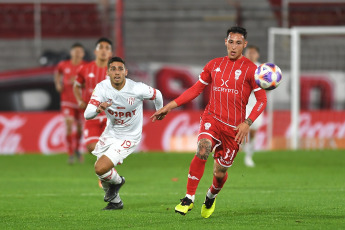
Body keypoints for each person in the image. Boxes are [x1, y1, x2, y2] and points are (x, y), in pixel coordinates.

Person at [151, 26, 267, 218]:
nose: (234, 46)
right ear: (225, 42)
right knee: (203, 149)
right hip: (212, 118)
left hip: (234, 129)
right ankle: (188, 198)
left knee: (219, 173)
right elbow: (195, 89)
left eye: (238, 43)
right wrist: (169, 106)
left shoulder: (252, 70)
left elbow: (262, 101)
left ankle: (210, 196)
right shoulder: (214, 65)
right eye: (231, 42)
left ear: (244, 45)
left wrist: (247, 122)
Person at [84, 56, 163, 210]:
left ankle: (119, 181)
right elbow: (87, 114)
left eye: (120, 69)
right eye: (113, 69)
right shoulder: (102, 88)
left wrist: (159, 111)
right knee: (101, 172)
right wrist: (98, 109)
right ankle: (115, 202)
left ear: (126, 72)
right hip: (110, 133)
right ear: (108, 72)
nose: (117, 72)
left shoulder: (137, 88)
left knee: (100, 168)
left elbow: (157, 94)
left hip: (129, 137)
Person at [73, 38, 113, 154]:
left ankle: (108, 165)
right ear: (95, 51)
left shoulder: (115, 71)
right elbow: (76, 86)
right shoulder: (85, 69)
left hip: (109, 116)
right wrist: (79, 100)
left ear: (110, 53)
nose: (103, 51)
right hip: (92, 116)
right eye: (101, 47)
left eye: (107, 48)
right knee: (91, 147)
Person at [54, 43, 86, 164]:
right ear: (71, 52)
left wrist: (78, 83)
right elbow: (57, 73)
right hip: (67, 101)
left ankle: (77, 149)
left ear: (83, 54)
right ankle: (70, 153)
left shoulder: (85, 66)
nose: (78, 53)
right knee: (68, 124)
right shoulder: (63, 65)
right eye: (75, 51)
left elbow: (89, 82)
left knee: (79, 129)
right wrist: (57, 84)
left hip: (80, 101)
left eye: (80, 51)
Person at [243, 45, 263, 167]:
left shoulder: (262, 70)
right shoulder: (240, 67)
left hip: (256, 104)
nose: (251, 55)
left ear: (258, 55)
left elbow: (268, 88)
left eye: (253, 53)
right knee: (239, 130)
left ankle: (249, 157)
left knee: (253, 132)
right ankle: (226, 153)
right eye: (249, 52)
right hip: (241, 104)